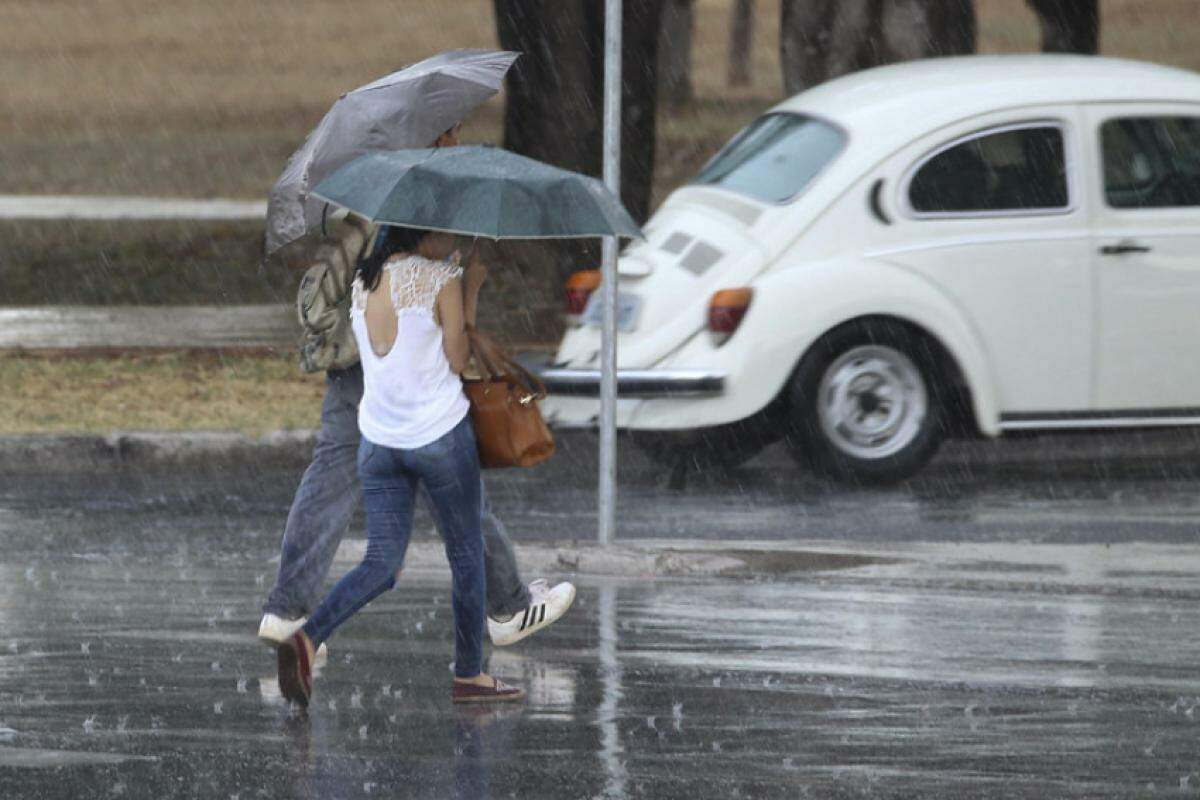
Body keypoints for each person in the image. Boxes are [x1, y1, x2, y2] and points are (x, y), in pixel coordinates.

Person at [258, 127, 574, 660]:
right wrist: (465, 284)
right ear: (435, 135)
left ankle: (289, 611)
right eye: (450, 133)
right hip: (401, 364)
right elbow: (446, 331)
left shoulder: (372, 187)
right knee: (450, 476)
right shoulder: (416, 199)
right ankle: (506, 608)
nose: (458, 139)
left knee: (334, 476)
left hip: (353, 354)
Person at [277, 224, 523, 705]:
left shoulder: (363, 282)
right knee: (467, 554)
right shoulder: (438, 278)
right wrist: (468, 289)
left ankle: (308, 637)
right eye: (444, 234)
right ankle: (470, 675)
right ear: (421, 234)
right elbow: (457, 359)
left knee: (383, 562)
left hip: (379, 443)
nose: (451, 242)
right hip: (438, 439)